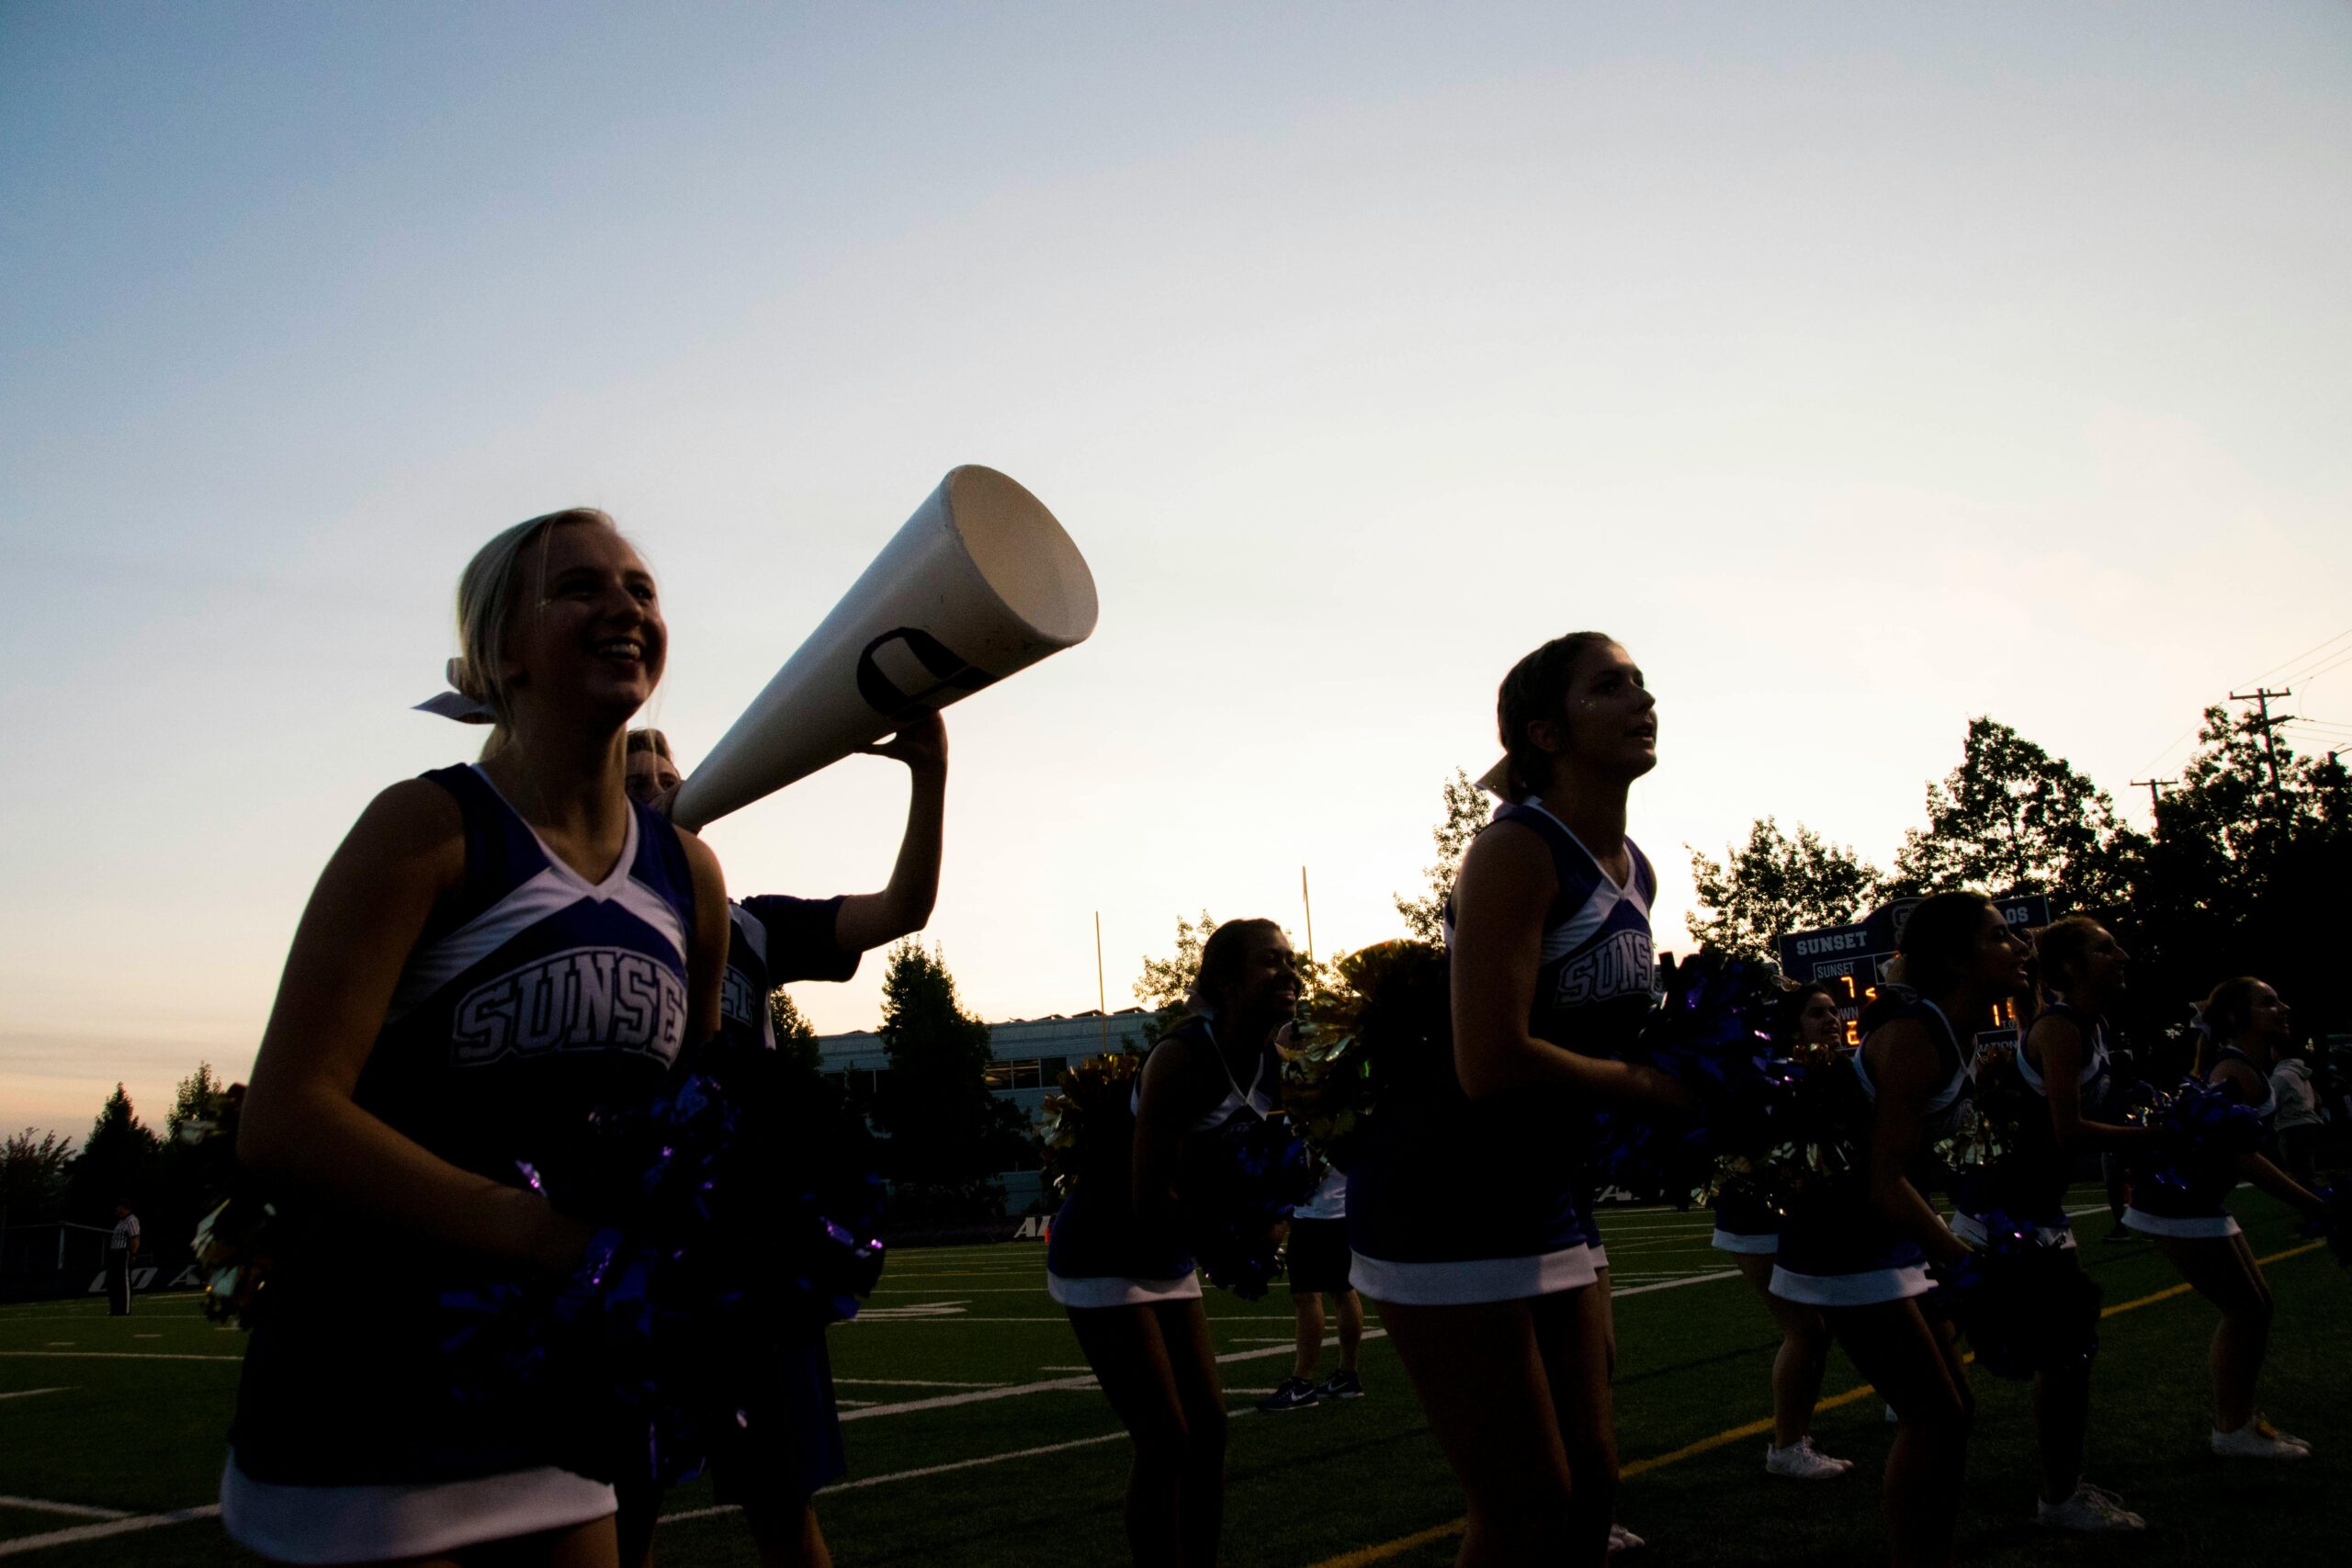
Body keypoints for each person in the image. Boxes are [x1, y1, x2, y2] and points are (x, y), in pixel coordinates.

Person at [222, 508, 729, 1568]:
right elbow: (285, 1120)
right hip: (372, 1389)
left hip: (563, 1397)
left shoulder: (691, 875)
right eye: (579, 588)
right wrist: (546, 1235)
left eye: (640, 588)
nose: (625, 609)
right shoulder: (426, 828)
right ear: (502, 649)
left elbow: (685, 1128)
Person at [1348, 632, 1687, 1568]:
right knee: (1525, 1505)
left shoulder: (1633, 865)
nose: (1641, 699)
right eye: (1610, 687)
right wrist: (1645, 1088)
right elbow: (1489, 1062)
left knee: (1593, 1485)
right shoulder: (1514, 851)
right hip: (1447, 1195)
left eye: (1641, 684)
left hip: (1545, 1190)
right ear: (1545, 731)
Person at [616, 715, 948, 1568]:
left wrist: (929, 773)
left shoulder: (749, 923)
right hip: (623, 1245)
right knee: (617, 1516)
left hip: (743, 1249)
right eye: (629, 768)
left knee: (781, 1506)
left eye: (664, 771)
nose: (650, 781)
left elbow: (901, 909)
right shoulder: (578, 918)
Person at [1772, 893, 2027, 1568]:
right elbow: (1883, 1182)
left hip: (1880, 1235)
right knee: (1936, 1414)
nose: (2020, 947)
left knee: (1952, 1410)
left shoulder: (1953, 1028)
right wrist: (1965, 1262)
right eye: (2000, 936)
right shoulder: (1917, 1035)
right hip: (1845, 1241)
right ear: (1954, 958)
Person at [1046, 918, 1300, 1568]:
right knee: (1165, 1436)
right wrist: (1234, 1239)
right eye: (1271, 962)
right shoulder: (1182, 1057)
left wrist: (1272, 1218)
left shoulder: (1272, 1061)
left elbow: (1259, 1167)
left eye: (1292, 960)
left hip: (1168, 1241)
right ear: (1226, 981)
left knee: (1209, 1428)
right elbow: (1146, 1200)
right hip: (1105, 1242)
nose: (1291, 974)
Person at [1949, 918, 2145, 1531]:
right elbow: (2069, 1130)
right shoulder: (2061, 1029)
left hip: (2032, 1206)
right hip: (2011, 1213)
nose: (2119, 954)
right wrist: (2159, 1138)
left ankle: (2063, 1483)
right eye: (2102, 947)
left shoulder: (2087, 1024)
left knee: (2067, 1350)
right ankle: (2059, 1497)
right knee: (2065, 1352)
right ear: (2068, 968)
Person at [2121, 976, 2333, 1458]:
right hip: (2178, 1204)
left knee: (2255, 1308)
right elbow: (2241, 1156)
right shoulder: (2234, 1070)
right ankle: (2232, 1428)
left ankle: (2238, 1422)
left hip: (2197, 1201)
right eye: (2268, 1002)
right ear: (2238, 1018)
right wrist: (2315, 1204)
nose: (2283, 1008)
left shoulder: (2252, 1066)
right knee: (2246, 1310)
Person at [1708, 983, 1851, 1480]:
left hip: (1801, 1214)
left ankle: (1796, 1439)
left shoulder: (1835, 1070)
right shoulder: (1772, 1075)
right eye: (1817, 1013)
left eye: (1834, 1011)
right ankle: (1787, 1446)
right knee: (1807, 1329)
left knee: (1822, 1329)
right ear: (1793, 1026)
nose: (1831, 1019)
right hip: (1756, 1216)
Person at [1259, 1161, 1363, 1411]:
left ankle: (1302, 1382)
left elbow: (1314, 1167)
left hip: (1318, 1212)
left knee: (1306, 1295)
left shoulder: (1316, 1122)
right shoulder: (1345, 1122)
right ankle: (1347, 1375)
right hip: (1342, 1207)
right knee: (1344, 1290)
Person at [2269, 1043, 2324, 1191]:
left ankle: (2316, 1204)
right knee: (2307, 1168)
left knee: (2299, 1172)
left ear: (2277, 1052)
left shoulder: (2282, 1075)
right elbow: (2318, 1100)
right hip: (2310, 1123)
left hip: (2291, 1126)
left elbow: (2271, 1102)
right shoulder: (2302, 1074)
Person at [107, 1201, 140, 1315]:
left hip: (123, 1252)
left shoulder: (131, 1220)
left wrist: (133, 1254)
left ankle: (125, 1309)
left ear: (124, 1207)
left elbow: (135, 1238)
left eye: (118, 1207)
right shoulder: (121, 1221)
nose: (116, 1209)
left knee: (123, 1281)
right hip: (114, 1253)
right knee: (112, 1281)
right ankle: (115, 1308)